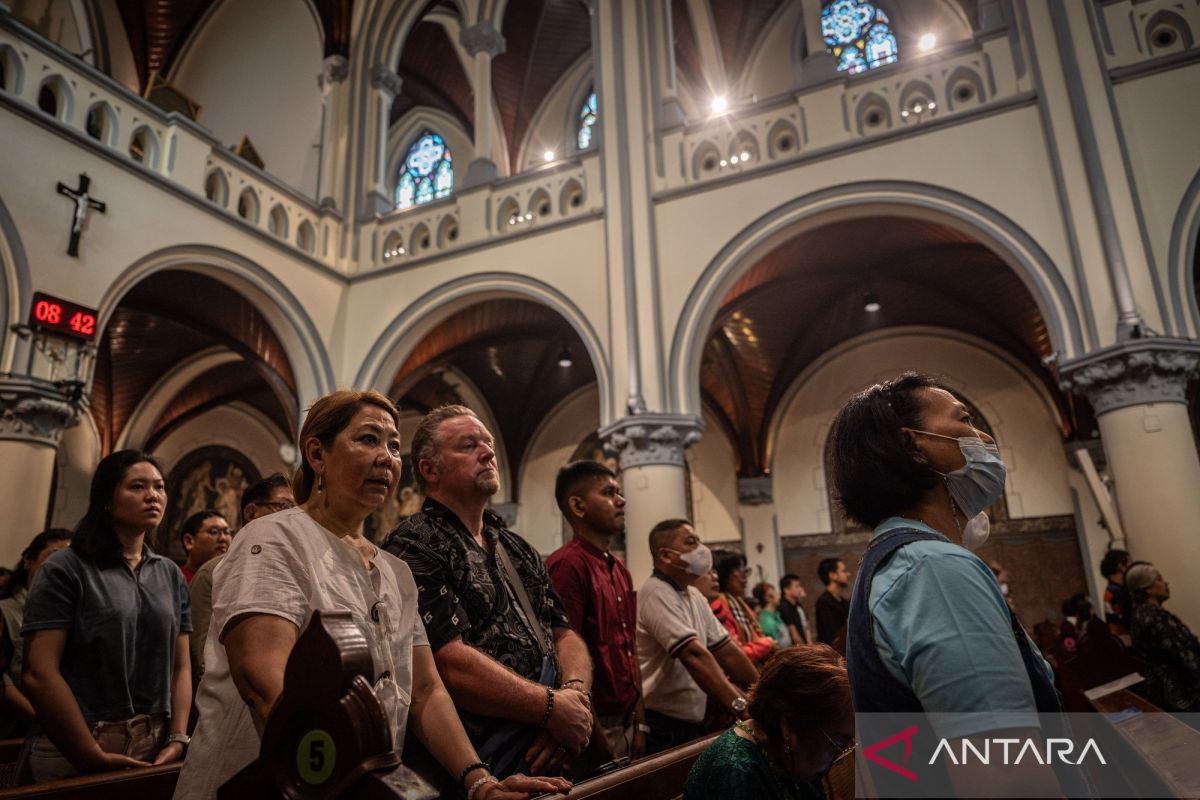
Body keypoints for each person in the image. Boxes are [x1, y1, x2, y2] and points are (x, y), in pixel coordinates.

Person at [175, 391, 568, 800]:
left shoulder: (394, 571)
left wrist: (481, 783)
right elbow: (264, 679)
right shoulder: (273, 538)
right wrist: (343, 776)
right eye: (368, 439)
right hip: (274, 781)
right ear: (317, 454)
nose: (387, 457)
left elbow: (425, 693)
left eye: (395, 445)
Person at [829, 373, 1069, 797]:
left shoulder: (900, 558)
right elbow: (1005, 773)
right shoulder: (933, 570)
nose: (982, 437)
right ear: (913, 445)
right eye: (964, 420)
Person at [384, 405, 592, 788]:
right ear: (429, 470)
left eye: (488, 444)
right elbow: (448, 663)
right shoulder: (413, 544)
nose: (488, 452)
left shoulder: (517, 548)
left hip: (544, 747)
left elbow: (564, 635)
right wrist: (549, 709)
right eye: (469, 445)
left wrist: (573, 699)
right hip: (469, 765)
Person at [22, 450, 191, 781]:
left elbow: (181, 665)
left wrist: (177, 737)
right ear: (106, 500)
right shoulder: (67, 566)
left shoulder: (168, 573)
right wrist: (88, 753)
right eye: (137, 487)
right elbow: (39, 672)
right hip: (78, 740)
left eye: (159, 486)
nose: (153, 496)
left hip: (153, 741)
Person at [546, 461, 646, 762]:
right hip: (595, 723)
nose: (622, 500)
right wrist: (596, 738)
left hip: (629, 718)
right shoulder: (568, 565)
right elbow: (561, 654)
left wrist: (641, 722)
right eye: (609, 492)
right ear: (578, 506)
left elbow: (630, 648)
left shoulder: (619, 568)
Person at [637, 519, 757, 755]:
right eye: (691, 542)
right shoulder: (655, 592)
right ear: (666, 555)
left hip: (691, 721)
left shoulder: (693, 595)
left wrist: (763, 691)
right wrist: (742, 708)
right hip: (662, 723)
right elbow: (693, 655)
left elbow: (728, 651)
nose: (701, 549)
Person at [685, 646, 854, 800]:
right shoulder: (734, 772)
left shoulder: (787, 756)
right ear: (788, 723)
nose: (840, 759)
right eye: (837, 742)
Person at [188, 473, 294, 688]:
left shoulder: (295, 571)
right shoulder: (212, 572)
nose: (294, 517)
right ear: (251, 512)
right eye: (284, 507)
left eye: (298, 510)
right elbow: (202, 660)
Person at [0, 529, 72, 738]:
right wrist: (47, 722)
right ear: (29, 561)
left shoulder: (75, 617)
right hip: (16, 730)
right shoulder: (6, 612)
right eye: (54, 556)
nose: (63, 567)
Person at [1126, 563, 1200, 712]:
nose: (1165, 583)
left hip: (1159, 690)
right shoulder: (1156, 617)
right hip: (1179, 693)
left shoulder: (1139, 613)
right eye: (1159, 579)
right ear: (1148, 588)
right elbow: (1184, 656)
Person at [710, 550, 775, 664]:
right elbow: (735, 654)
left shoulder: (738, 602)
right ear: (725, 574)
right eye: (740, 571)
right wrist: (767, 643)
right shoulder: (718, 605)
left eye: (745, 571)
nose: (745, 577)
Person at [178, 509, 232, 585]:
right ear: (189, 541)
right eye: (214, 532)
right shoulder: (174, 580)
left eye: (227, 532)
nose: (223, 538)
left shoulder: (233, 582)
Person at [814, 559, 850, 646]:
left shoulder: (842, 601)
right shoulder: (824, 602)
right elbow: (832, 637)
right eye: (844, 571)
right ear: (832, 575)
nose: (848, 574)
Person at [1101, 548, 1131, 638]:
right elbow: (1129, 620)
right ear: (1121, 567)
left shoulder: (1111, 590)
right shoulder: (1117, 592)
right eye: (1130, 564)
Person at [753, 583, 792, 648]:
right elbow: (774, 646)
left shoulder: (776, 615)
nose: (778, 595)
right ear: (768, 597)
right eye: (775, 592)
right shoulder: (766, 620)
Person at [778, 574, 811, 645]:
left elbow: (805, 624)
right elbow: (793, 634)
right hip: (794, 648)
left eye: (800, 586)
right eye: (797, 586)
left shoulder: (797, 604)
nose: (800, 589)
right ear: (786, 590)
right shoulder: (784, 606)